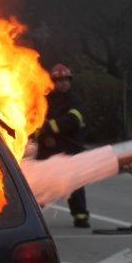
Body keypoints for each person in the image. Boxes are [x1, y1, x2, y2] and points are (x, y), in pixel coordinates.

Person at [37, 63, 91, 227]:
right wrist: (42, 133)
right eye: (59, 80)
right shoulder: (45, 100)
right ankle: (33, 216)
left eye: (66, 80)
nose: (63, 83)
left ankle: (80, 216)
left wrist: (50, 126)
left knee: (74, 183)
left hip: (70, 148)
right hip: (48, 148)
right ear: (53, 82)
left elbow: (75, 119)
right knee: (42, 183)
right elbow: (36, 120)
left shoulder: (75, 100)